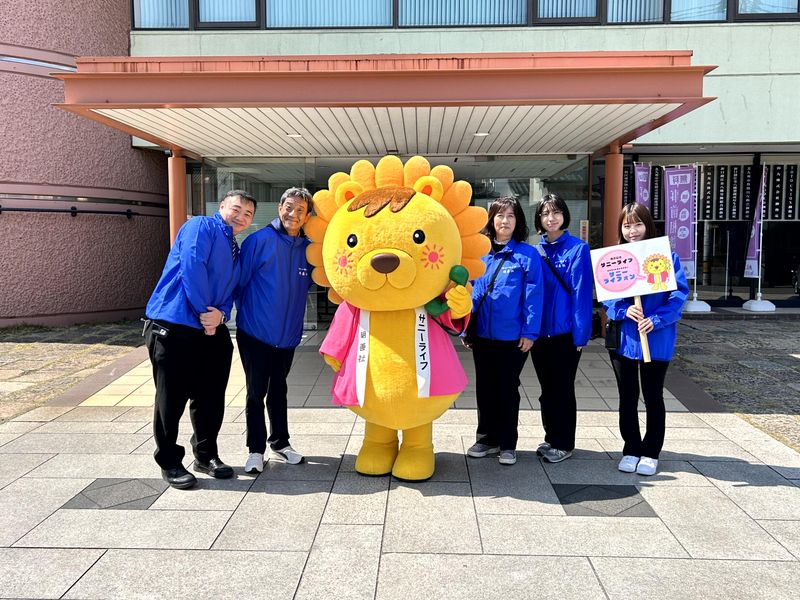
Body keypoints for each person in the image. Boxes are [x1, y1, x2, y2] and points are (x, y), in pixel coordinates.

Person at [144, 189, 256, 489]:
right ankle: (169, 460)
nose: (241, 216)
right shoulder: (200, 226)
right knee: (171, 399)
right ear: (221, 207)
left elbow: (233, 289)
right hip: (176, 324)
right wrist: (203, 313)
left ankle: (206, 454)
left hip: (211, 327)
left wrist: (220, 315)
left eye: (247, 214)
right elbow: (192, 267)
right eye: (236, 209)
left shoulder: (235, 247)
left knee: (210, 396)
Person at [603, 202, 688, 476]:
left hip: (656, 338)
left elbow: (678, 295)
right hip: (625, 340)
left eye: (637, 224)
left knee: (653, 396)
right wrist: (622, 309)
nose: (632, 231)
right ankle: (631, 448)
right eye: (626, 225)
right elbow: (607, 296)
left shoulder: (666, 257)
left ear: (648, 225)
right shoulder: (615, 258)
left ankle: (651, 451)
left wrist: (658, 319)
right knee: (627, 397)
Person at [236, 187, 314, 474]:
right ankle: (255, 450)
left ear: (307, 217)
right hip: (255, 333)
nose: (293, 214)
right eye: (289, 207)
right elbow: (239, 283)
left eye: (300, 210)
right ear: (280, 207)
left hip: (288, 336)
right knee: (256, 392)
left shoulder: (308, 249)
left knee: (279, 389)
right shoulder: (258, 241)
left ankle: (280, 442)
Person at [464, 196, 543, 466]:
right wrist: (466, 328)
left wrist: (530, 332)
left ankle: (508, 443)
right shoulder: (479, 252)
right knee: (485, 387)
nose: (505, 221)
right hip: (483, 334)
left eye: (510, 216)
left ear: (517, 220)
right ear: (491, 220)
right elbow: (468, 292)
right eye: (500, 215)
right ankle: (487, 438)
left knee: (507, 388)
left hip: (512, 336)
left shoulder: (527, 254)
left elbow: (533, 296)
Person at [530, 194, 594, 463]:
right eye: (545, 214)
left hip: (565, 334)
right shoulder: (536, 250)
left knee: (563, 389)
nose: (551, 218)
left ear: (565, 215)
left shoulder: (578, 249)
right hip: (540, 333)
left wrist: (581, 335)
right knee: (546, 390)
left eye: (556, 212)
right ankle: (551, 437)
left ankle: (564, 442)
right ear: (540, 220)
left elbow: (582, 295)